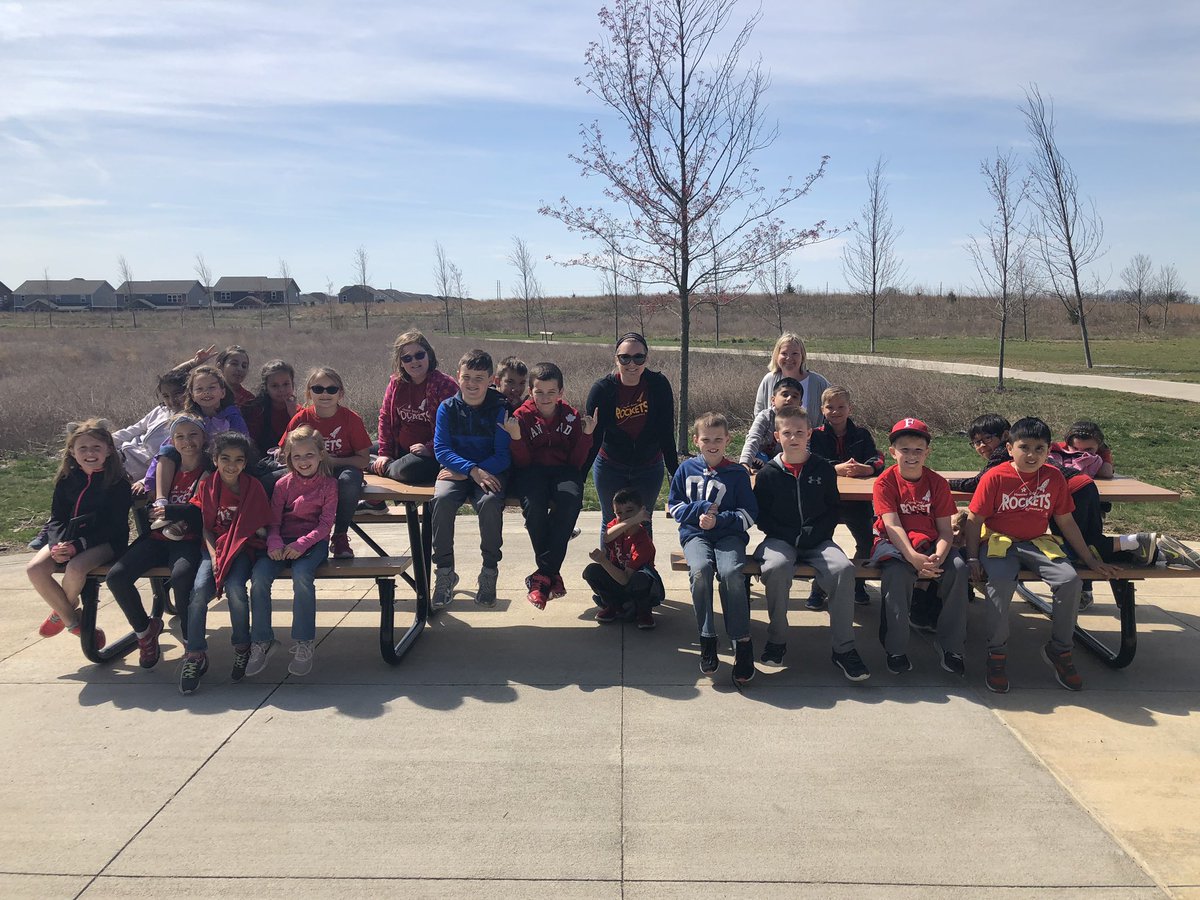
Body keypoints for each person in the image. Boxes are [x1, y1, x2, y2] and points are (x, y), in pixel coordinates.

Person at [964, 417, 1120, 694]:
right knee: (1000, 583)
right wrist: (973, 558)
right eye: (1024, 447)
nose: (1032, 455)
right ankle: (996, 654)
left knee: (1069, 580)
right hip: (999, 543)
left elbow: (1066, 521)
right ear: (1010, 448)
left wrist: (1090, 559)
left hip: (1037, 542)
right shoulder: (996, 476)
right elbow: (975, 520)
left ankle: (1060, 650)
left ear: (1049, 450)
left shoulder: (1054, 477)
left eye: (1039, 448)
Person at [753, 405, 869, 680]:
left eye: (799, 432)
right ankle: (777, 639)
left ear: (809, 434)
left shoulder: (822, 469)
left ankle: (844, 648)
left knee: (843, 569)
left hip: (818, 541)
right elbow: (762, 515)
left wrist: (815, 532)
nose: (793, 438)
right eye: (787, 433)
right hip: (780, 540)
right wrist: (788, 533)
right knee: (776, 567)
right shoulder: (768, 473)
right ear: (777, 436)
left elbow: (833, 508)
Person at [106, 415, 211, 669]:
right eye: (180, 437)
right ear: (172, 441)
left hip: (190, 540)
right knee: (116, 577)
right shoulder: (168, 468)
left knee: (182, 576)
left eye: (193, 435)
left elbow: (203, 512)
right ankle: (145, 631)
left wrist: (170, 511)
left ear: (204, 437)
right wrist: (155, 509)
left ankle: (191, 642)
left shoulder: (211, 468)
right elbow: (152, 502)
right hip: (157, 538)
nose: (187, 441)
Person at [870, 418, 968, 676]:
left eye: (918, 450)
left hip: (931, 544)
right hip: (895, 543)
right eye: (904, 449)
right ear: (893, 452)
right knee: (897, 574)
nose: (911, 456)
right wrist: (913, 557)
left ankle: (952, 646)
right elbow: (892, 525)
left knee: (958, 568)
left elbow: (945, 530)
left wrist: (938, 557)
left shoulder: (937, 483)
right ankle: (896, 648)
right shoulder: (885, 482)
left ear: (927, 452)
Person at [26, 419, 132, 653]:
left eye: (96, 448)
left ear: (108, 451)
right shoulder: (67, 480)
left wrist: (78, 546)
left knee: (75, 568)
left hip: (106, 543)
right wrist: (57, 545)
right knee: (35, 569)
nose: (89, 453)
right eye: (82, 448)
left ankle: (63, 612)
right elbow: (57, 518)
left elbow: (114, 527)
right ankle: (74, 622)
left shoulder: (118, 484)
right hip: (67, 539)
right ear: (72, 452)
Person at [669, 412, 758, 684]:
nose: (712, 444)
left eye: (718, 439)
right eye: (706, 439)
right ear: (696, 440)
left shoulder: (737, 473)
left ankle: (741, 641)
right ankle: (707, 637)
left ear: (728, 440)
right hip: (695, 535)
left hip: (729, 536)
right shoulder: (685, 470)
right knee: (700, 570)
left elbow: (749, 514)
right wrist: (700, 510)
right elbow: (674, 506)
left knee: (732, 573)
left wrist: (720, 520)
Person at [179, 432, 272, 695]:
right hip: (214, 549)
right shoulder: (207, 486)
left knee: (235, 588)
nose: (232, 465)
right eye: (225, 459)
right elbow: (206, 529)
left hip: (243, 548)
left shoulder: (252, 487)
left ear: (245, 462)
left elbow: (254, 529)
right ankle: (195, 653)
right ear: (215, 459)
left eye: (239, 460)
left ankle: (242, 646)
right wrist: (214, 557)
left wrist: (227, 555)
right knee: (199, 592)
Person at [248, 426, 337, 678]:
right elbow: (274, 521)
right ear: (288, 458)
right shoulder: (282, 484)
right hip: (281, 541)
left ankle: (304, 641)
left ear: (321, 455)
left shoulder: (329, 485)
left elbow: (325, 525)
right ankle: (262, 640)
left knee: (302, 576)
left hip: (312, 543)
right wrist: (274, 542)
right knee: (259, 577)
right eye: (296, 456)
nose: (303, 461)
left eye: (309, 455)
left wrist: (301, 545)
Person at [505, 362, 595, 608]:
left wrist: (587, 436)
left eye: (551, 392)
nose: (545, 398)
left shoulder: (571, 416)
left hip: (564, 471)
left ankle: (541, 577)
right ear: (530, 392)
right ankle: (551, 575)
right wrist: (515, 437)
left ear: (561, 392)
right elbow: (522, 462)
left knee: (570, 500)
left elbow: (576, 462)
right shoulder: (521, 417)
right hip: (531, 471)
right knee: (534, 507)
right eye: (539, 392)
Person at [430, 349, 512, 609]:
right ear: (458, 376)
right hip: (456, 471)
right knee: (441, 500)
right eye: (466, 377)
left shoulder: (500, 409)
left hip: (489, 470)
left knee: (489, 503)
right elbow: (441, 449)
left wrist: (474, 471)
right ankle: (445, 572)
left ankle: (489, 571)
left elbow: (503, 455)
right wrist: (470, 471)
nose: (472, 383)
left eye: (479, 378)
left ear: (491, 380)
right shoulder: (447, 408)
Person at [584, 333, 679, 541]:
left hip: (648, 466)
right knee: (612, 521)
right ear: (616, 359)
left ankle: (642, 564)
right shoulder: (602, 390)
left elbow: (666, 432)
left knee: (643, 521)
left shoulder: (658, 385)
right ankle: (609, 563)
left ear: (646, 358)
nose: (632, 364)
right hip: (610, 465)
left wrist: (675, 472)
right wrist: (580, 476)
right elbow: (594, 438)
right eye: (625, 358)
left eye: (638, 357)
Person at [279, 367, 371, 559]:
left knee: (349, 480)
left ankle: (340, 536)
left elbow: (363, 459)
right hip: (306, 471)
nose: (325, 394)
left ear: (340, 393)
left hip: (340, 469)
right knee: (271, 480)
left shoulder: (351, 419)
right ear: (309, 393)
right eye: (318, 389)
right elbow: (284, 453)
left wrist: (331, 462)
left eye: (331, 389)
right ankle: (275, 535)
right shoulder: (301, 419)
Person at [808, 385, 885, 608]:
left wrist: (867, 468)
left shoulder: (861, 434)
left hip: (857, 501)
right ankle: (819, 589)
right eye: (830, 407)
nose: (836, 411)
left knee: (867, 541)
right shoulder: (816, 435)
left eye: (841, 407)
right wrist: (835, 468)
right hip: (827, 499)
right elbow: (811, 460)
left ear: (850, 408)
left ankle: (858, 584)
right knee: (821, 542)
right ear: (822, 409)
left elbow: (877, 458)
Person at [148, 365, 247, 518]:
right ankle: (161, 500)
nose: (206, 392)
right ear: (192, 395)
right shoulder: (189, 418)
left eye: (211, 387)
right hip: (191, 459)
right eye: (199, 389)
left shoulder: (232, 417)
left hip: (220, 463)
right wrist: (149, 480)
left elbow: (243, 445)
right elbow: (167, 446)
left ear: (222, 392)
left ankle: (189, 510)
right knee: (167, 450)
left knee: (211, 465)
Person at [370, 330, 459, 488]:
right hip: (399, 446)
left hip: (430, 455)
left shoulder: (445, 385)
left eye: (419, 355)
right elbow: (385, 418)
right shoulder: (396, 384)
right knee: (360, 450)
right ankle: (387, 466)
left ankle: (379, 467)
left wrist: (430, 448)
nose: (414, 361)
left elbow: (454, 425)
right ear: (400, 362)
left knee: (408, 469)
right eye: (407, 358)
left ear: (428, 355)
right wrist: (384, 453)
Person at [584, 487, 664, 628]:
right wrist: (633, 519)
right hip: (619, 579)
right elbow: (607, 537)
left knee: (641, 578)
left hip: (637, 584)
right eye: (619, 513)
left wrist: (604, 561)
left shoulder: (643, 541)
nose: (624, 516)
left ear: (641, 511)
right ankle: (614, 606)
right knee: (591, 571)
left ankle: (643, 611)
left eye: (630, 511)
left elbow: (625, 579)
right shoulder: (616, 527)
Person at [751, 333, 831, 426]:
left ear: (802, 356)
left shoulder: (819, 383)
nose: (789, 358)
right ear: (777, 356)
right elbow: (758, 414)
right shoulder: (769, 380)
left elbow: (833, 412)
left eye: (795, 353)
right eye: (784, 353)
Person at [739, 377, 804, 472]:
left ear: (800, 404)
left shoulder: (801, 421)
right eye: (785, 395)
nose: (789, 399)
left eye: (794, 397)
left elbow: (804, 445)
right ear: (773, 400)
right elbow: (753, 438)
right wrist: (745, 463)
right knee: (759, 458)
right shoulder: (765, 416)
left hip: (784, 460)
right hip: (761, 457)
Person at [242, 360, 298, 459]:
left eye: (286, 384)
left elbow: (303, 440)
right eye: (274, 386)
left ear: (292, 384)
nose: (281, 389)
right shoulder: (256, 410)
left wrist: (294, 416)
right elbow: (250, 444)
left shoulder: (301, 412)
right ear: (266, 388)